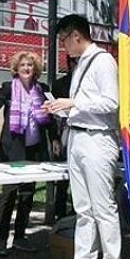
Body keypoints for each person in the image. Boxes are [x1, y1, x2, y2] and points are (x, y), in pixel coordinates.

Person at [43, 14, 123, 259]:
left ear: (76, 35)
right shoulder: (81, 65)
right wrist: (61, 108)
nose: (63, 45)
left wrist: (73, 101)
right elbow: (86, 105)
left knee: (103, 207)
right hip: (78, 136)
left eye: (64, 39)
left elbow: (111, 102)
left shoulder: (102, 61)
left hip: (97, 139)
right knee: (83, 208)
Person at [0, 51, 52, 256]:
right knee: (9, 194)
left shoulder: (42, 90)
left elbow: (49, 118)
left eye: (30, 65)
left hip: (33, 150)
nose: (26, 68)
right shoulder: (8, 88)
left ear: (35, 68)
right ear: (16, 69)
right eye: (22, 65)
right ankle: (2, 240)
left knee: (28, 194)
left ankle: (20, 237)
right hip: (12, 151)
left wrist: (55, 139)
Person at [49, 54, 78, 220]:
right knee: (62, 176)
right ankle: (59, 212)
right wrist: (54, 138)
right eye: (73, 62)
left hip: (83, 132)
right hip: (64, 131)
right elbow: (52, 114)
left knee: (79, 175)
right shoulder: (60, 84)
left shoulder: (87, 83)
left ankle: (76, 211)